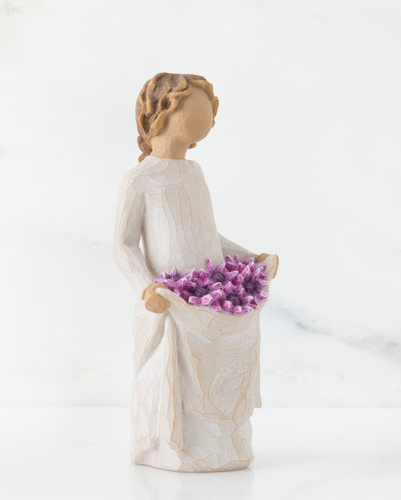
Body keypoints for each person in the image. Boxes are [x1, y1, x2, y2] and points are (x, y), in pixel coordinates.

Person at [113, 73, 278, 471]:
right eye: (200, 110)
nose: (211, 120)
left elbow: (206, 233)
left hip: (211, 301)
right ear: (164, 113)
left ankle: (224, 444)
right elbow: (123, 244)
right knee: (175, 380)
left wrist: (250, 257)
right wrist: (146, 288)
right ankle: (172, 447)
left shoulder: (193, 173)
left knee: (222, 371)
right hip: (170, 305)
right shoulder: (141, 178)